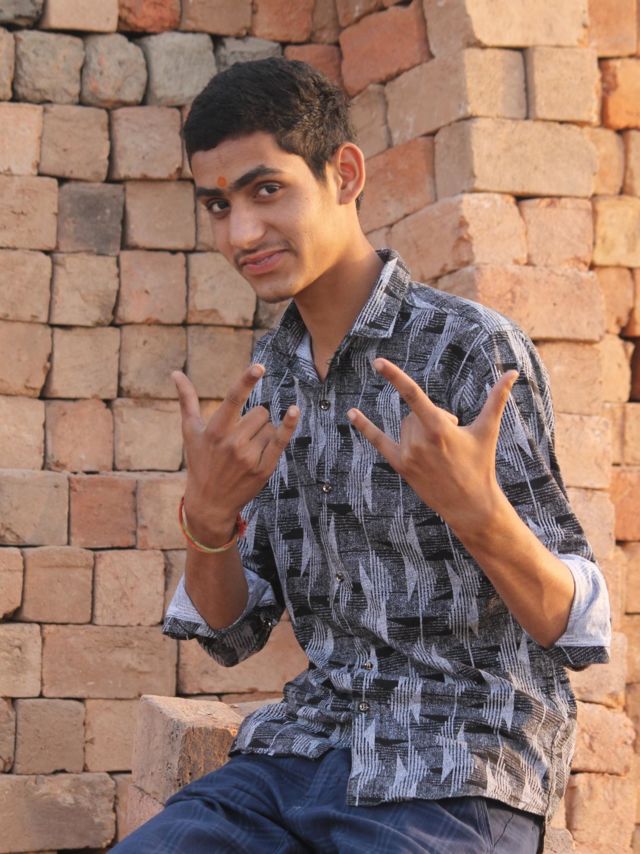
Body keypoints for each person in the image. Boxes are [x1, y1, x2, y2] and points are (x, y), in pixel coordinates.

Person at [114, 58, 610, 853]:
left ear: (344, 174)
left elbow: (572, 626)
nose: (241, 234)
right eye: (218, 205)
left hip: (456, 763)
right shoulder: (270, 378)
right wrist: (207, 522)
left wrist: (478, 513)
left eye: (266, 189)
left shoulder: (467, 349)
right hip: (298, 754)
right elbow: (231, 632)